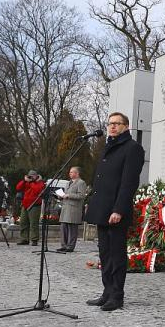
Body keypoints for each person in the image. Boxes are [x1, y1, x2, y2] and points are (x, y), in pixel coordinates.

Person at [84, 112, 144, 312]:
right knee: (105, 253)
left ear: (126, 126)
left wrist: (118, 209)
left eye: (117, 124)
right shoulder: (108, 146)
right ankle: (106, 292)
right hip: (102, 209)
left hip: (116, 211)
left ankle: (117, 296)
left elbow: (129, 183)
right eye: (110, 123)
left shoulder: (132, 148)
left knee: (117, 255)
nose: (112, 127)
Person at [56, 166, 88, 252]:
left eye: (72, 172)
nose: (70, 173)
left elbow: (81, 196)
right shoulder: (68, 183)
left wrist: (69, 195)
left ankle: (70, 246)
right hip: (65, 208)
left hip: (74, 209)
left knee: (72, 229)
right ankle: (64, 245)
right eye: (70, 172)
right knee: (63, 227)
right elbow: (65, 194)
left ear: (77, 173)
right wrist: (61, 196)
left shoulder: (81, 183)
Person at [16, 170, 45, 246]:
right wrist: (24, 181)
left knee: (33, 223)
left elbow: (37, 190)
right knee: (23, 222)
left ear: (36, 176)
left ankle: (34, 239)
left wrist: (31, 182)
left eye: (32, 176)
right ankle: (24, 239)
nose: (31, 177)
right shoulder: (26, 182)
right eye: (30, 176)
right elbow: (18, 188)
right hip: (25, 204)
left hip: (35, 205)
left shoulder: (40, 182)